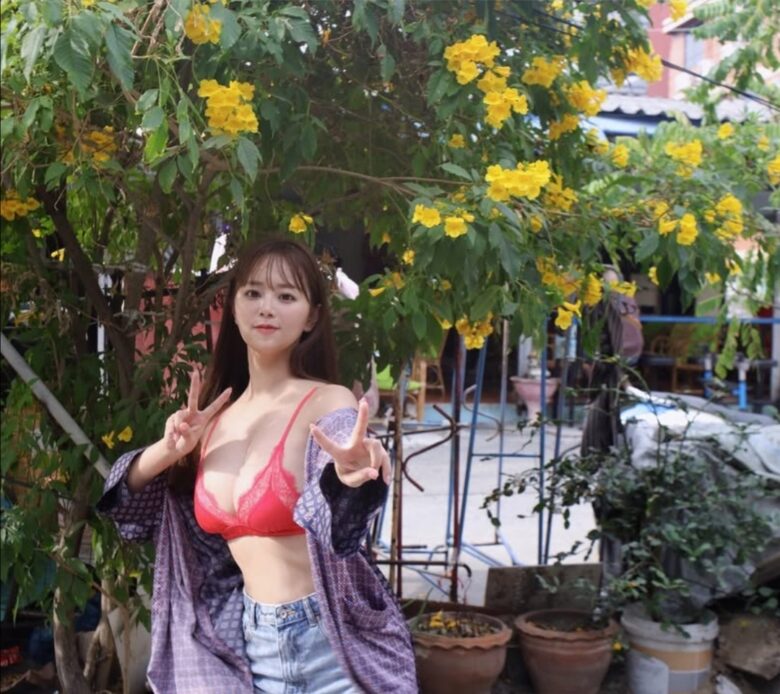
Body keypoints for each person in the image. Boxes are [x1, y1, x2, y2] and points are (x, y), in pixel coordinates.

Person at [97, 238, 418, 693]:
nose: (267, 307)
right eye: (253, 293)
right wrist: (166, 452)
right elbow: (128, 513)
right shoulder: (212, 421)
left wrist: (349, 478)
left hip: (332, 648)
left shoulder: (327, 402)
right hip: (245, 649)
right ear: (233, 307)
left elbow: (340, 520)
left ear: (311, 317)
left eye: (286, 296)